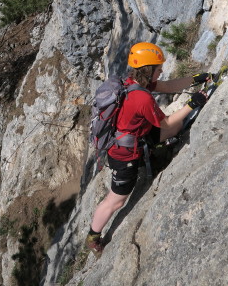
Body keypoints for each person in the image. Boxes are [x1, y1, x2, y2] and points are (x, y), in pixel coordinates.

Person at [85, 41, 211, 257]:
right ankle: (93, 236)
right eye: (158, 67)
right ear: (148, 69)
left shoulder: (132, 83)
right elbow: (166, 125)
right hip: (125, 156)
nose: (161, 70)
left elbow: (169, 86)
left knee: (178, 126)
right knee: (116, 201)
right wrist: (192, 104)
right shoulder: (141, 97)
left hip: (131, 138)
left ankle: (154, 153)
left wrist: (195, 79)